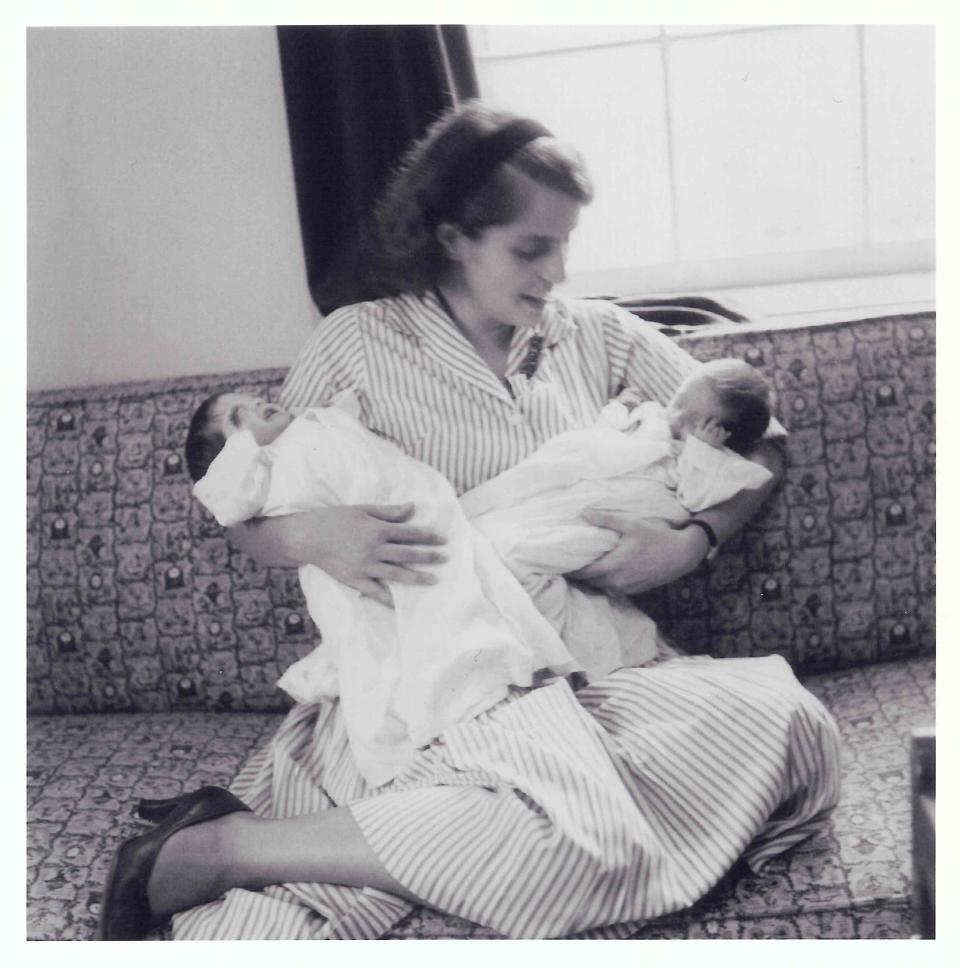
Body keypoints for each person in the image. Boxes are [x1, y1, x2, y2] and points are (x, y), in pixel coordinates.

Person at [98, 102, 841, 942]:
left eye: (565, 244)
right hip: (436, 676)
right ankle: (228, 850)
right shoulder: (356, 344)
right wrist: (319, 538)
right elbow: (246, 503)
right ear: (454, 238)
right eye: (531, 248)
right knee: (580, 844)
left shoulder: (596, 335)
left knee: (793, 724)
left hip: (592, 668)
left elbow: (762, 442)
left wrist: (689, 542)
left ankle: (298, 841)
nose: (556, 270)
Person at [184, 388, 579, 787]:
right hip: (364, 565)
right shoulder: (264, 469)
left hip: (437, 519)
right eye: (238, 417)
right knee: (387, 645)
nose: (256, 405)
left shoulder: (316, 421)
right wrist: (301, 529)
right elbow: (226, 503)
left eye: (253, 400)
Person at [462, 358, 776, 678]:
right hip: (578, 490)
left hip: (628, 514)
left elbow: (732, 473)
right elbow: (610, 440)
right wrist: (624, 411)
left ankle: (551, 657)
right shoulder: (659, 418)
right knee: (490, 541)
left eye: (692, 419)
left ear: (720, 434)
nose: (674, 416)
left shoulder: (711, 460)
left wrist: (703, 458)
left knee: (519, 556)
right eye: (677, 402)